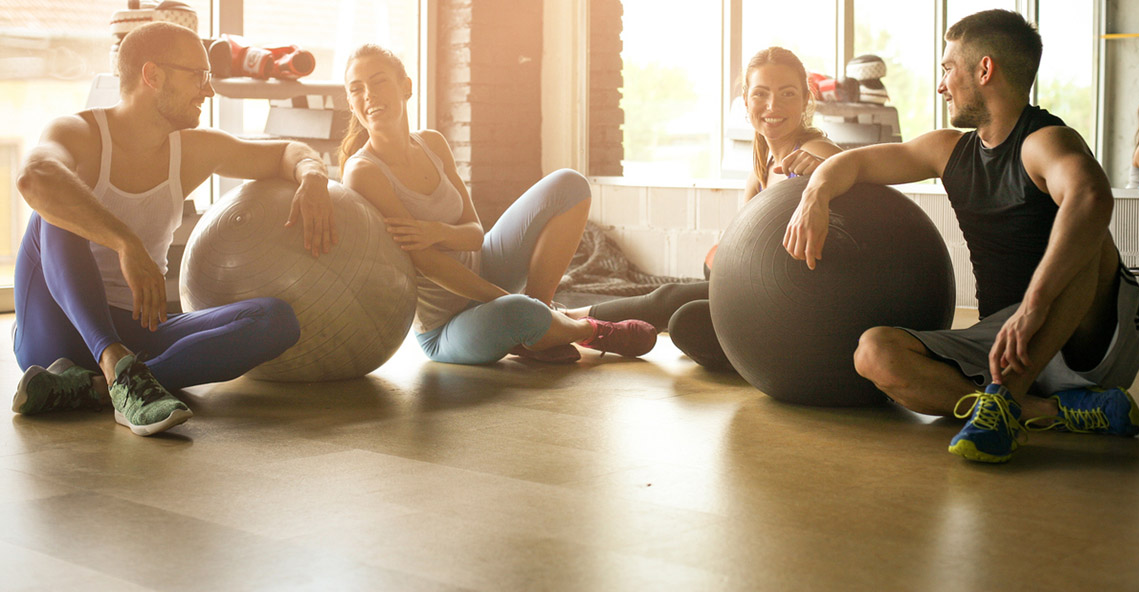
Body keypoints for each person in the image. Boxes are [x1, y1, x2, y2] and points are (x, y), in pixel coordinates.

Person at [786, 9, 1139, 464]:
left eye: (947, 69)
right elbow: (855, 162)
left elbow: (1091, 196)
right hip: (1006, 346)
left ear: (985, 69)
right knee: (874, 352)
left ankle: (1004, 401)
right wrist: (814, 195)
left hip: (1083, 340)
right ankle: (1038, 411)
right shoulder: (948, 150)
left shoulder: (1043, 141)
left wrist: (1033, 307)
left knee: (1093, 248)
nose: (941, 85)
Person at [11, 21, 338, 436]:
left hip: (137, 326)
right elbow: (34, 176)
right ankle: (114, 364)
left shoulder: (194, 151)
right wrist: (125, 242)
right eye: (199, 76)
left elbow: (288, 153)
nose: (210, 90)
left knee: (276, 320)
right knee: (53, 212)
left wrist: (311, 175)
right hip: (56, 331)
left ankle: (98, 389)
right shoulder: (79, 133)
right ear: (153, 75)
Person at [339, 44, 656, 366]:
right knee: (518, 311)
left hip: (486, 267)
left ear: (405, 86)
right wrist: (511, 300)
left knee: (570, 184)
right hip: (446, 327)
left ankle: (540, 323)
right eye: (356, 89)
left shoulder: (432, 142)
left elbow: (475, 234)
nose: (369, 95)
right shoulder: (364, 172)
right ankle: (585, 328)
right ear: (350, 103)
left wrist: (435, 231)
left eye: (378, 82)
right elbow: (428, 265)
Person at [566, 46, 841, 369]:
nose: (772, 106)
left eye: (787, 93)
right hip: (763, 290)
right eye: (761, 94)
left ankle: (570, 322)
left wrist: (823, 170)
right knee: (687, 321)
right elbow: (740, 250)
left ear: (806, 99)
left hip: (802, 304)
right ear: (746, 99)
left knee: (670, 299)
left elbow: (844, 171)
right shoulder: (761, 166)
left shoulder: (815, 152)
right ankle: (597, 329)